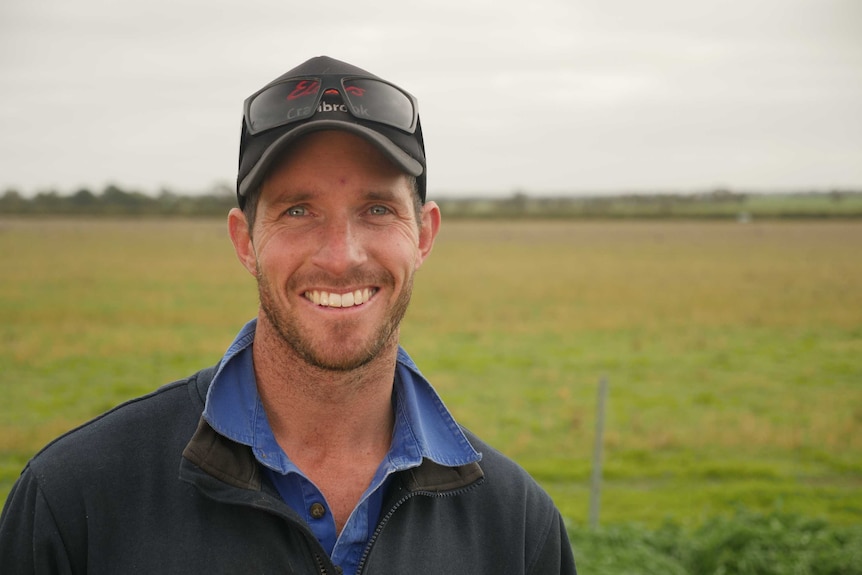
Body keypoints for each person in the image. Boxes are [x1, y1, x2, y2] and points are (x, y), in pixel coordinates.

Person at [0, 55, 577, 574]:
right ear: (245, 240)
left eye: (377, 209)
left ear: (423, 235)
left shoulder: (518, 529)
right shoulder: (74, 502)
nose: (341, 255)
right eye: (298, 210)